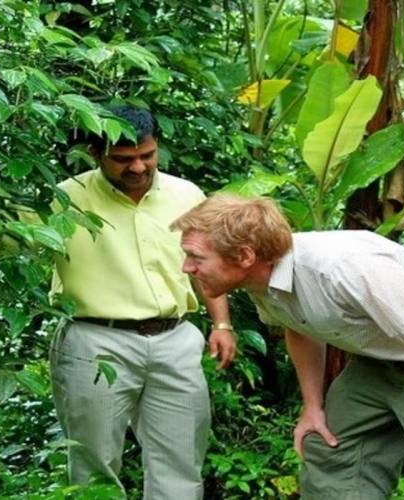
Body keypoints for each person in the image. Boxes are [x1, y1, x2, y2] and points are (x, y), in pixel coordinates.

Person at [169, 194, 404, 500]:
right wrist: (313, 406)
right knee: (329, 449)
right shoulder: (262, 278)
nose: (187, 268)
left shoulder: (343, 269)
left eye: (196, 258)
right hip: (387, 355)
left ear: (245, 256)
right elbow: (299, 327)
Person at [48, 105, 236, 500]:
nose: (137, 167)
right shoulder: (64, 198)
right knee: (93, 462)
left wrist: (221, 324)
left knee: (182, 461)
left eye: (146, 155)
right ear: (96, 154)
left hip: (176, 338)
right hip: (96, 340)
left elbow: (205, 265)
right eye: (122, 159)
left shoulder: (186, 194)